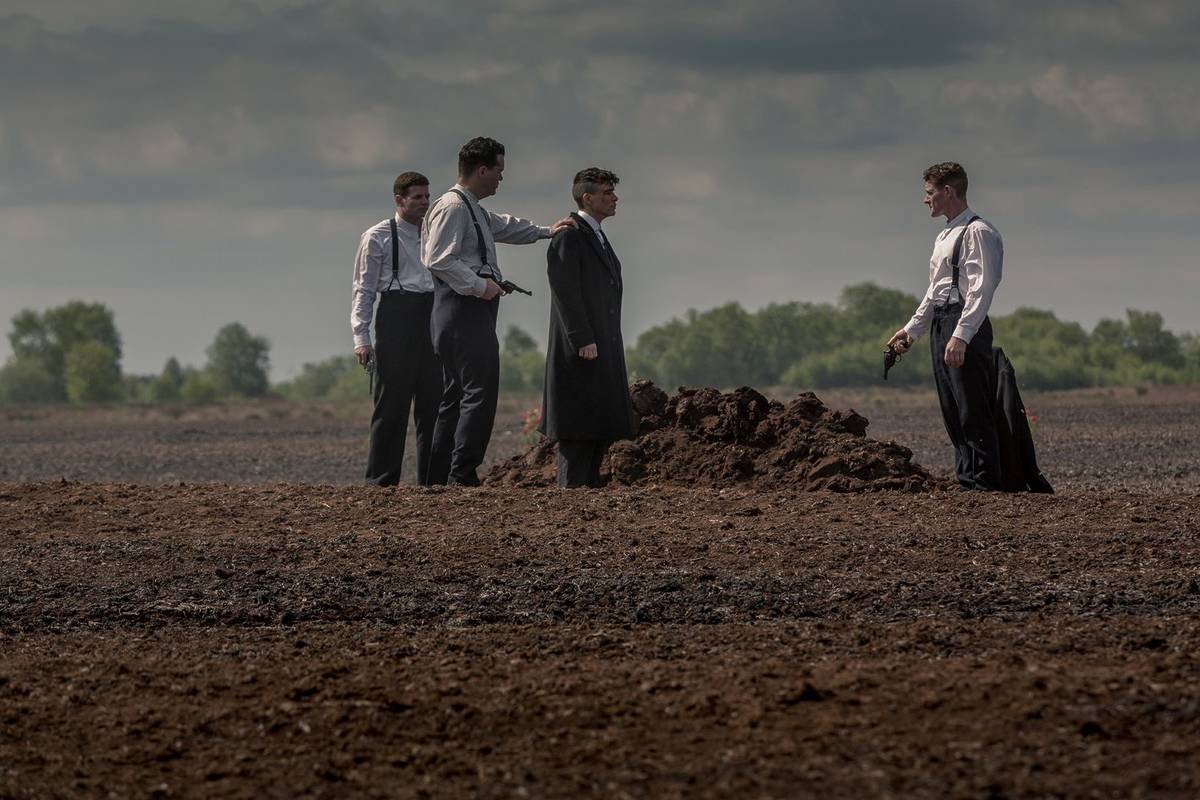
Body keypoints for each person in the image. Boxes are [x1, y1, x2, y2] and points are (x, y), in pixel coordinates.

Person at [421, 137, 575, 486]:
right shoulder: (454, 207)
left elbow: (503, 226)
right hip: (463, 309)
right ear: (482, 169)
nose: (501, 179)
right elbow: (438, 258)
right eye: (499, 171)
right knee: (479, 392)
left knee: (456, 395)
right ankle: (462, 474)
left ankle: (438, 476)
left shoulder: (470, 207)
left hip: (461, 311)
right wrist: (481, 286)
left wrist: (545, 232)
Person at [887, 162, 1004, 490]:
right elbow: (935, 292)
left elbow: (982, 290)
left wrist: (961, 336)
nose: (925, 200)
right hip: (943, 325)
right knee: (953, 412)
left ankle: (985, 487)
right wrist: (911, 331)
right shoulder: (944, 235)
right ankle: (967, 483)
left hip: (964, 324)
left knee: (972, 410)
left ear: (947, 191)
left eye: (929, 193)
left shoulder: (978, 231)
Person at [540, 168, 637, 488]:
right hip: (581, 350)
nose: (614, 198)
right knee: (577, 433)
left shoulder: (594, 234)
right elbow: (565, 290)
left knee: (598, 430)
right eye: (607, 192)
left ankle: (587, 498)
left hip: (602, 345)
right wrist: (582, 338)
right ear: (588, 197)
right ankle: (568, 502)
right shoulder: (569, 235)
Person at [351, 171, 443, 486]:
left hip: (433, 316)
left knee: (435, 404)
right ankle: (380, 482)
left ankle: (433, 481)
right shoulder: (377, 236)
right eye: (417, 197)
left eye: (427, 197)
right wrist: (361, 339)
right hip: (396, 317)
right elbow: (363, 290)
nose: (424, 203)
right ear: (399, 200)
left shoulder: (436, 232)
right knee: (391, 406)